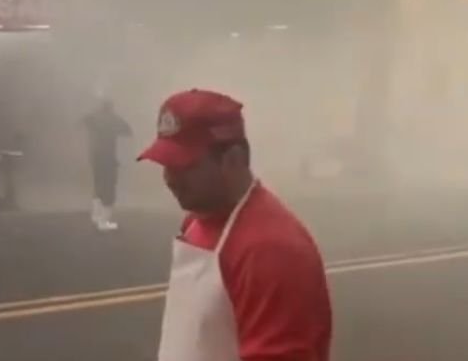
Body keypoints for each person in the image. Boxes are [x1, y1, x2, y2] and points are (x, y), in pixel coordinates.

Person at [137, 88, 332, 361]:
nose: (169, 178)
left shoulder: (270, 250)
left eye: (185, 166)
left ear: (234, 159)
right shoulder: (196, 221)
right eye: (166, 165)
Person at [80, 98, 133, 231]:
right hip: (108, 157)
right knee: (109, 186)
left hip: (96, 157)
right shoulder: (113, 120)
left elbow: (82, 122)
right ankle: (104, 221)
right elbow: (128, 131)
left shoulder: (93, 118)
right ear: (111, 108)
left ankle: (96, 215)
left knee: (98, 184)